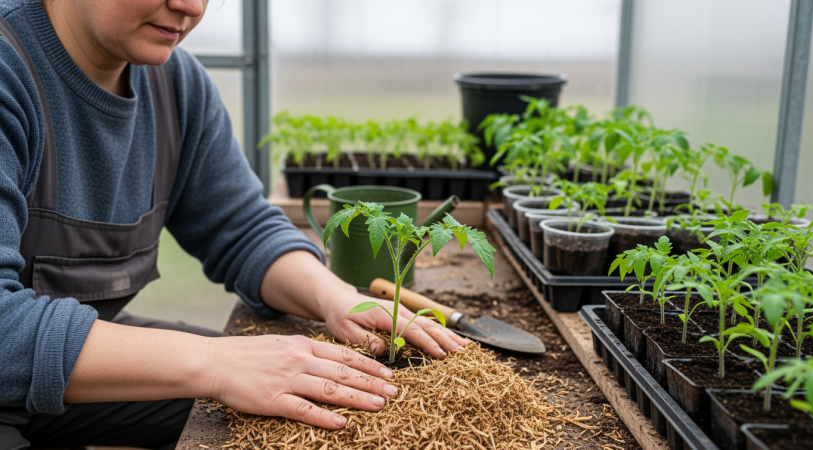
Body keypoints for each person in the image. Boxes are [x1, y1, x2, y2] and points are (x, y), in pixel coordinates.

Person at [0, 0, 469, 448]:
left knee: (308, 400)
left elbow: (241, 226)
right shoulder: (10, 67)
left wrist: (336, 297)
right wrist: (213, 363)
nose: (192, 8)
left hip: (64, 383)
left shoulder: (176, 85)